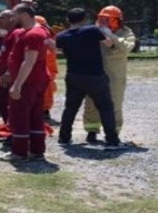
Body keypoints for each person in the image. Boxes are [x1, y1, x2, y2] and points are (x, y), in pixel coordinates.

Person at [55, 8, 128, 151]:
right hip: (94, 76)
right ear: (83, 19)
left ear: (68, 20)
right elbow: (109, 44)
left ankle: (64, 138)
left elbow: (60, 51)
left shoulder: (62, 36)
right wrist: (106, 31)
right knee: (106, 108)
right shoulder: (91, 31)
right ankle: (112, 141)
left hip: (73, 75)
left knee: (70, 108)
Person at [0, 4, 50, 163]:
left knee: (19, 117)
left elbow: (29, 61)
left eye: (15, 15)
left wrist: (17, 84)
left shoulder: (33, 34)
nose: (12, 19)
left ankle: (19, 153)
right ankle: (36, 151)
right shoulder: (37, 31)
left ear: (25, 15)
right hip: (36, 80)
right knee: (35, 117)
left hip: (28, 82)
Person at [82, 5, 136, 143]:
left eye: (107, 19)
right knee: (91, 103)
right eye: (101, 19)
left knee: (114, 104)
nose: (103, 22)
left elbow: (125, 48)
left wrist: (110, 35)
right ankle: (92, 131)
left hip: (115, 76)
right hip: (94, 73)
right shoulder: (93, 31)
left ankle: (113, 134)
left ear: (116, 20)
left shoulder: (126, 33)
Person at [35, 15, 60, 125]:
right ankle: (41, 112)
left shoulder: (49, 38)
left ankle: (44, 112)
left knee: (46, 92)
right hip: (43, 71)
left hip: (48, 71)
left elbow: (54, 49)